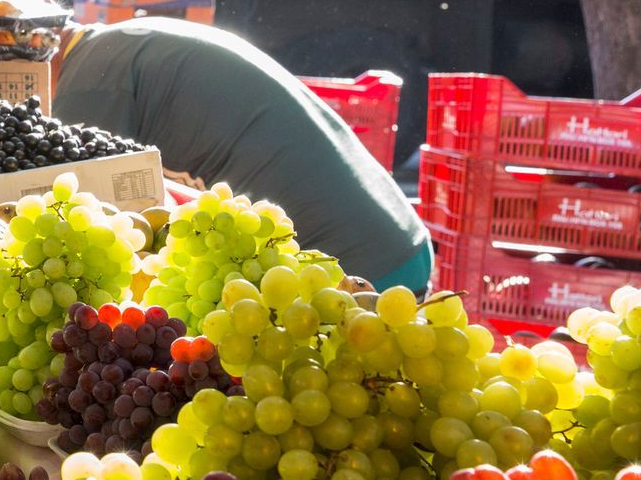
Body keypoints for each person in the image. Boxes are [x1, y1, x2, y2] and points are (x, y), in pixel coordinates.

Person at [48, 15, 432, 292]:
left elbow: (86, 225)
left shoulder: (90, 80)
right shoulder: (122, 41)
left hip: (355, 272)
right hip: (401, 243)